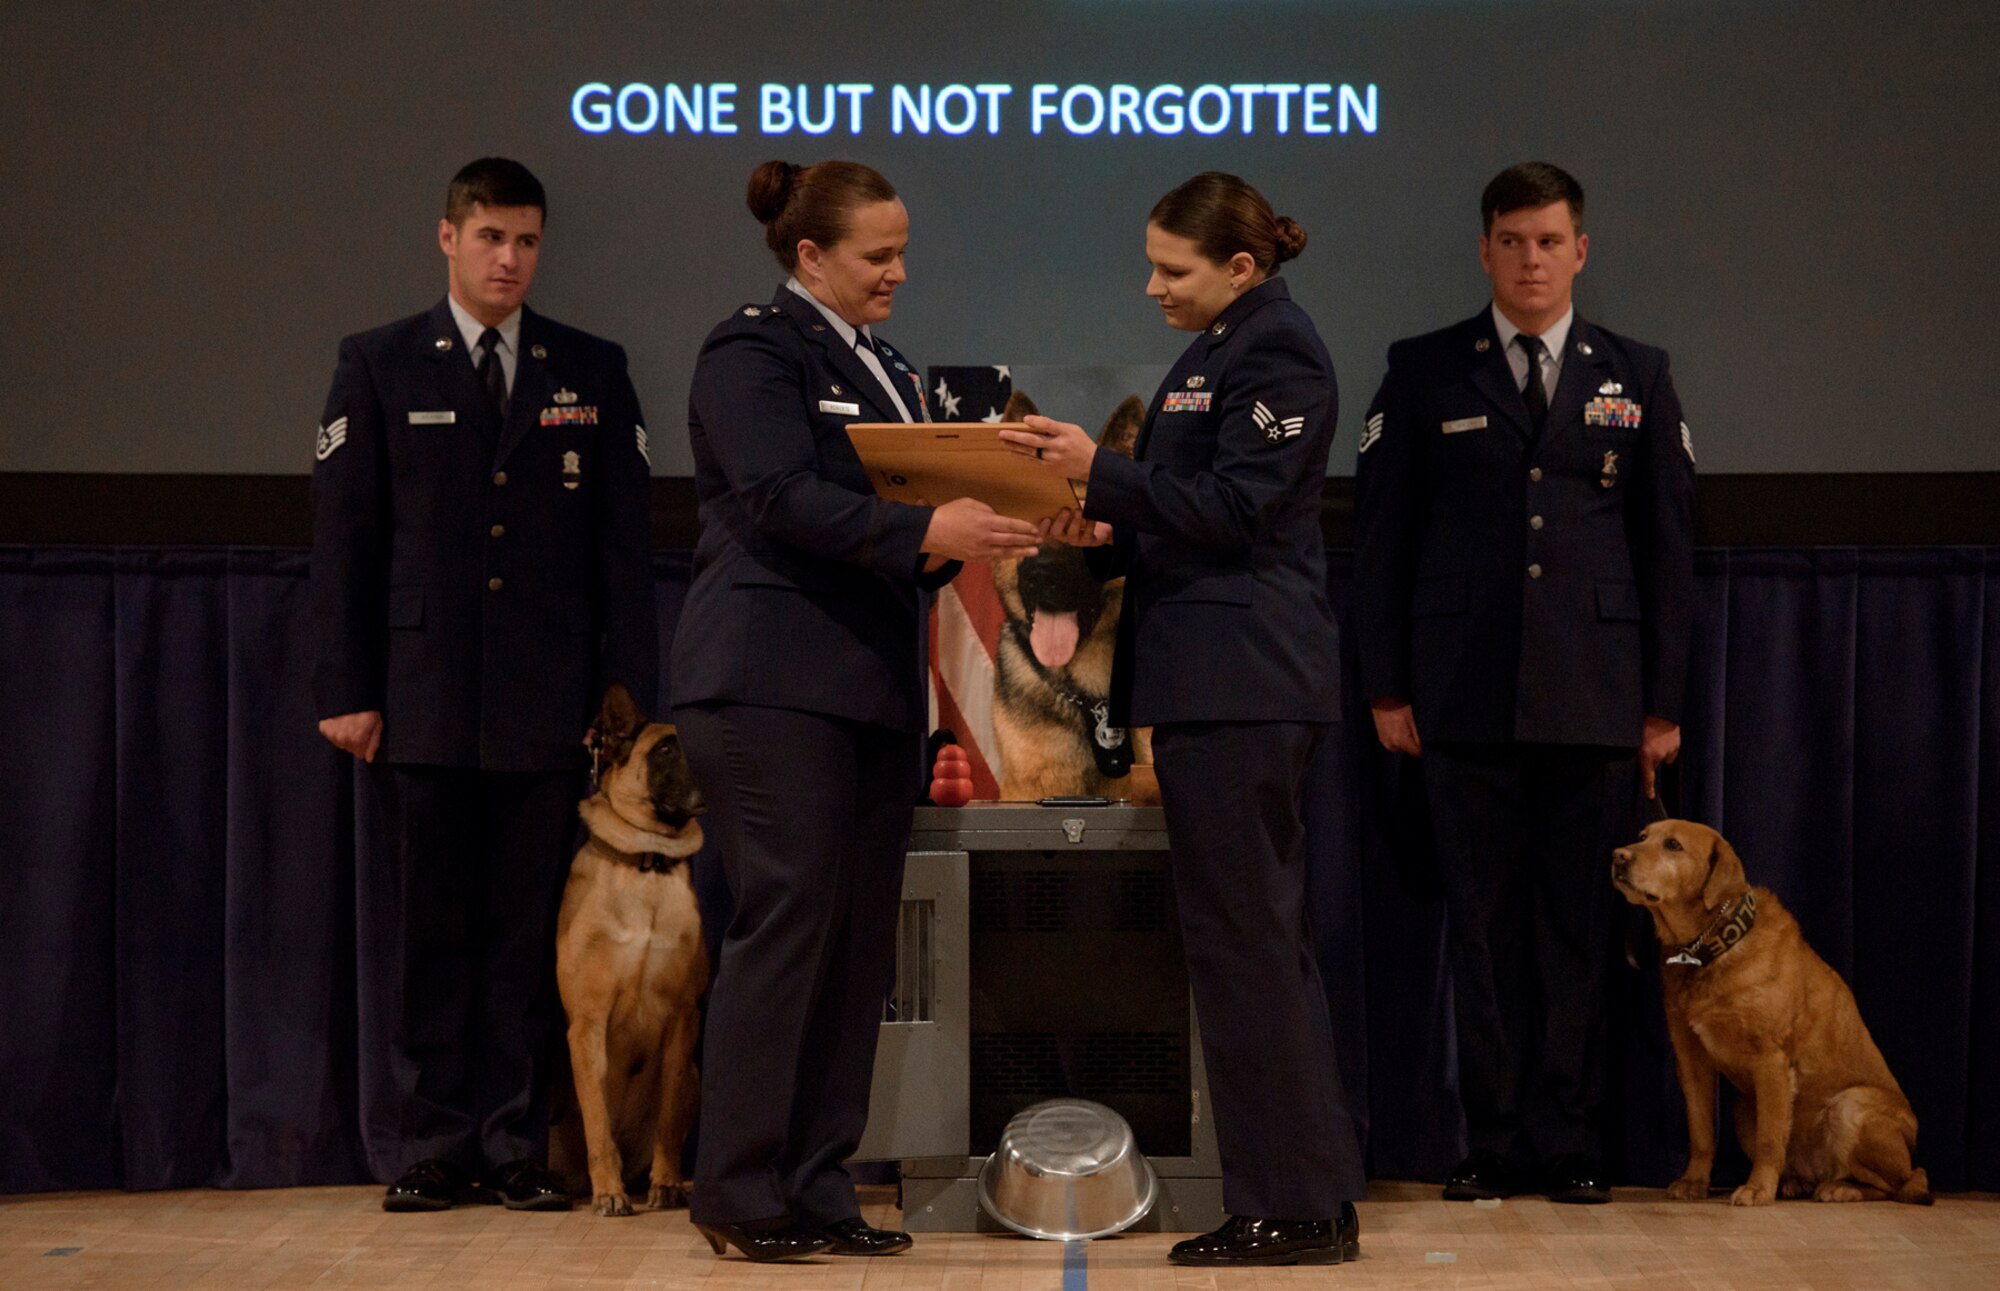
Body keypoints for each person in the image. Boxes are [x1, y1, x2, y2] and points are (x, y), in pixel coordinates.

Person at [671, 159, 1040, 1262]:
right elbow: (777, 497)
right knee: (787, 925)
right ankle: (738, 1189)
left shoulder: (882, 364)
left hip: (865, 686)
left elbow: (894, 523)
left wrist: (993, 528)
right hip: (767, 681)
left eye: (900, 249)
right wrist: (928, 535)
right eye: (877, 254)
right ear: (809, 257)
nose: (898, 271)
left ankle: (818, 1183)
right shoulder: (751, 348)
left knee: (853, 945)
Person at [1001, 172, 1365, 1268]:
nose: (1151, 285)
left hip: (1243, 680)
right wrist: (1102, 508)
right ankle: (1301, 1194)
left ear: (1240, 268)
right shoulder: (1217, 348)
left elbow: (1242, 507)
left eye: (1173, 268)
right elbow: (1189, 508)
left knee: (1248, 947)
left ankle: (1291, 1205)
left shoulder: (1276, 352)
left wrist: (1101, 469)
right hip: (1211, 681)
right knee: (1246, 946)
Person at [310, 157, 658, 1212]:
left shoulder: (588, 370)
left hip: (542, 699)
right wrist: (347, 685)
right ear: (448, 237)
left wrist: (624, 695)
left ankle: (513, 1142)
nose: (510, 259)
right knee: (430, 929)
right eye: (491, 237)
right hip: (417, 694)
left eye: (527, 240)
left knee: (523, 933)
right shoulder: (377, 364)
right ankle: (433, 1143)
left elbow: (621, 548)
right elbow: (348, 542)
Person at [1354, 162, 1696, 1204]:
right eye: (1511, 240)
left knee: (1577, 935)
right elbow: (1382, 544)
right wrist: (1384, 686)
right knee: (1483, 927)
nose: (1530, 259)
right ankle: (1492, 1138)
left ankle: (1571, 1140)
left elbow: (1666, 547)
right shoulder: (1422, 372)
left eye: (1548, 241)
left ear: (1578, 250)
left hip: (1593, 701)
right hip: (1459, 697)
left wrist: (1661, 703)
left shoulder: (1633, 372)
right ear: (1483, 249)